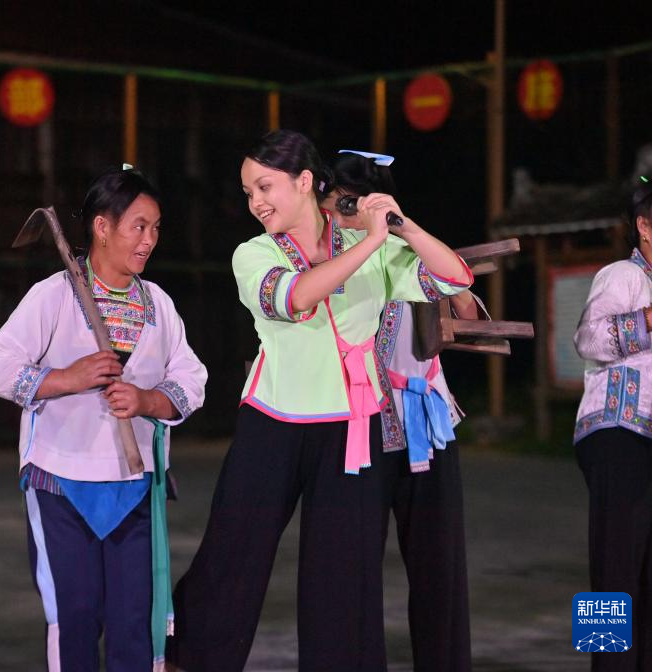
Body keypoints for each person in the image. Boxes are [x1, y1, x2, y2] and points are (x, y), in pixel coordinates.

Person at [167, 130, 472, 671]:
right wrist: (373, 243)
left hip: (353, 429)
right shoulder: (253, 253)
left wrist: (400, 225)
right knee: (233, 552)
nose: (256, 202)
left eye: (265, 187)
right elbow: (296, 298)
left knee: (344, 576)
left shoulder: (370, 244)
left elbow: (454, 279)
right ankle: (185, 661)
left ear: (304, 181)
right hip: (273, 420)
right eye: (248, 191)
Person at [0, 166, 207, 671]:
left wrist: (147, 401)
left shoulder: (158, 304)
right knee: (74, 617)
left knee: (133, 622)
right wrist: (65, 378)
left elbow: (192, 380)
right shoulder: (53, 295)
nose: (150, 240)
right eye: (139, 226)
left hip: (135, 486)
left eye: (155, 228)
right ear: (102, 226)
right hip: (60, 484)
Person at [324, 150, 477, 671]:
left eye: (357, 204)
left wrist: (400, 227)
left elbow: (464, 296)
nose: (346, 214)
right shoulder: (322, 256)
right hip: (359, 427)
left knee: (440, 567)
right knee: (354, 568)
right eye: (340, 203)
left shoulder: (402, 248)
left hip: (427, 423)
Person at [574, 179, 652, 671]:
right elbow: (588, 338)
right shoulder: (622, 275)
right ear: (645, 227)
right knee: (614, 569)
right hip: (618, 432)